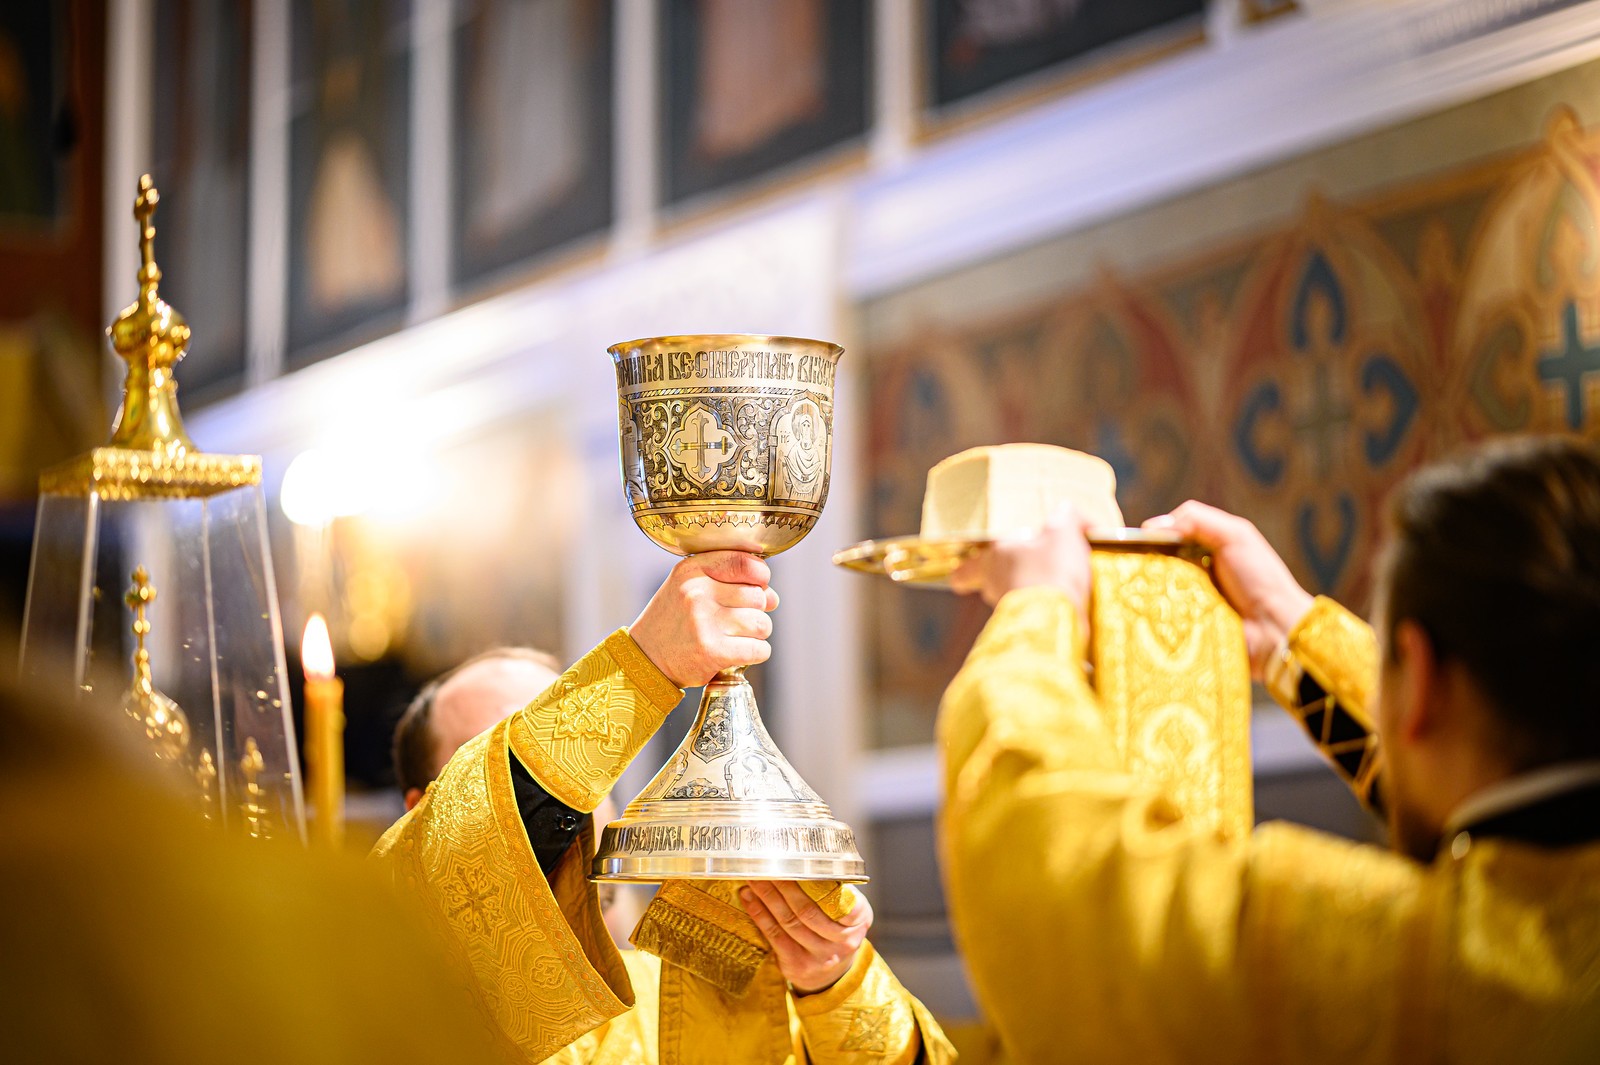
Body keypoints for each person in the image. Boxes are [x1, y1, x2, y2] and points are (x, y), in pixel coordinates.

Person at [942, 435, 1600, 1064]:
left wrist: (1038, 606)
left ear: (1420, 679)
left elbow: (1057, 858)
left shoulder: (1406, 963)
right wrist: (1291, 637)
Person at [374, 552, 951, 1064]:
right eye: (510, 767)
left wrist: (832, 981)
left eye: (594, 758)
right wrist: (646, 664)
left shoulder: (711, 987)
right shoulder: (382, 987)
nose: (574, 795)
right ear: (420, 816)